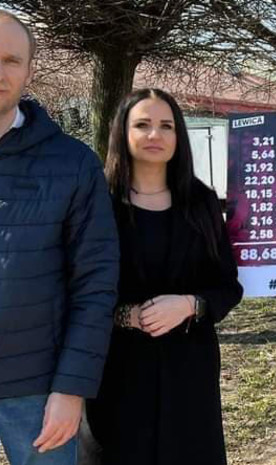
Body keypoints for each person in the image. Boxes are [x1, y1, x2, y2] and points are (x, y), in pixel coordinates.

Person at [85, 88, 243, 465]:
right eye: (143, 125)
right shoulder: (98, 202)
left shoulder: (202, 202)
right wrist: (128, 316)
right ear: (122, 132)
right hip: (117, 369)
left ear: (178, 136)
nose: (155, 134)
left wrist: (190, 304)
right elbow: (79, 288)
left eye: (166, 126)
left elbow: (227, 286)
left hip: (189, 367)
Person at [0, 10, 119, 465]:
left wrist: (71, 388)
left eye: (11, 60)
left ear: (30, 71)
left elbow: (95, 284)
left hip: (36, 388)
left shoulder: (73, 164)